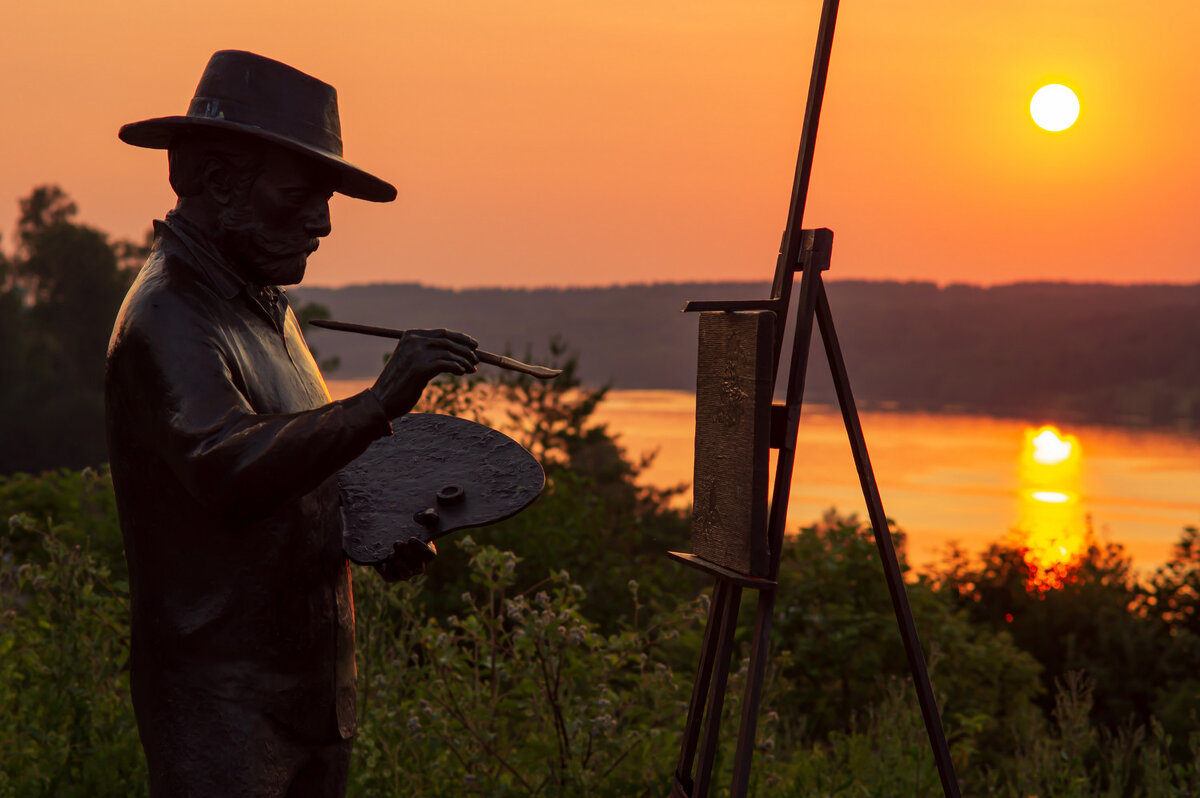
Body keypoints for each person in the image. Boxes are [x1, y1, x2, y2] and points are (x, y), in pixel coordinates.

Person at [105, 50, 477, 796]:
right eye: (300, 195)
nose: (323, 222)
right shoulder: (168, 317)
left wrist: (368, 526)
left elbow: (300, 473)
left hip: (311, 700)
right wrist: (378, 404)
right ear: (217, 185)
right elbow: (226, 467)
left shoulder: (266, 309)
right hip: (222, 708)